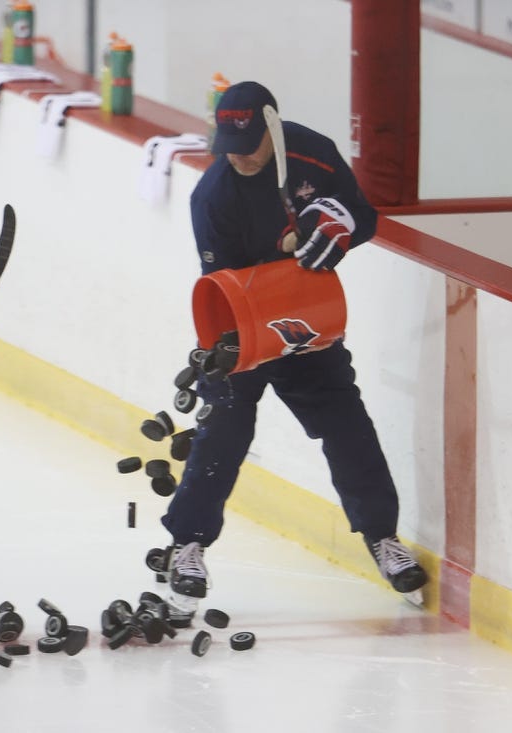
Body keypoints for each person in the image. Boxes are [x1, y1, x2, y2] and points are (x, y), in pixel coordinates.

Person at [151, 81, 428, 622]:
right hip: (244, 327)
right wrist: (243, 336)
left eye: (251, 141)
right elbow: (220, 283)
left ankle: (382, 538)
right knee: (224, 433)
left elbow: (364, 218)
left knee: (347, 425)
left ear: (273, 127)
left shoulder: (313, 155)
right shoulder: (212, 196)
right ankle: (187, 547)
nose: (240, 154)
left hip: (306, 321)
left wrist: (343, 226)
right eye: (230, 142)